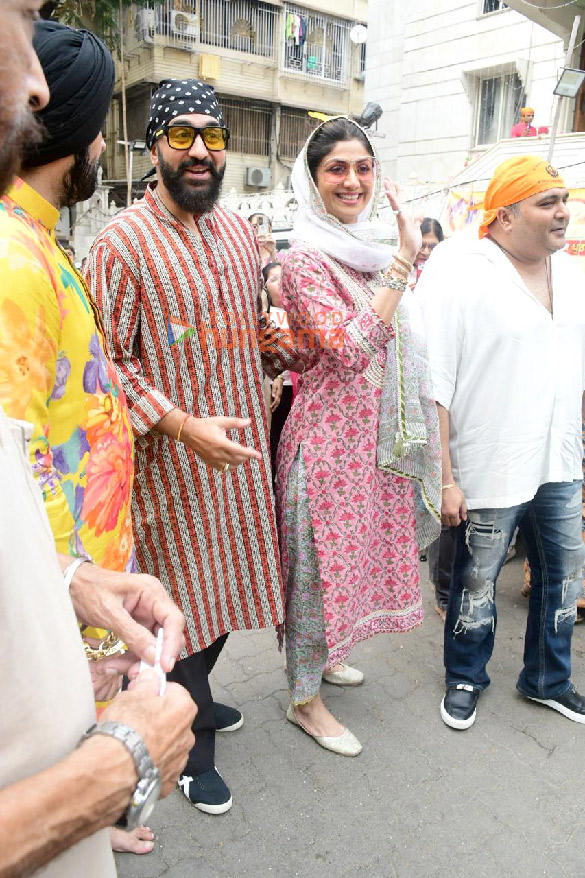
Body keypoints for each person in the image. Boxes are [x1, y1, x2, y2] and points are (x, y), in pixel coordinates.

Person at [0, 5, 195, 876]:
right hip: (47, 572)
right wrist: (63, 575)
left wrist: (77, 576)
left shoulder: (36, 241)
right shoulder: (13, 258)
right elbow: (17, 453)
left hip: (73, 567)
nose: (106, 146)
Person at [85, 78, 299, 815]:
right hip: (168, 471)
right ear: (154, 149)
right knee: (176, 605)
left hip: (237, 463)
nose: (201, 151)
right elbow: (107, 366)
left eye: (213, 136)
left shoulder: (237, 231)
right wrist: (179, 424)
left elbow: (250, 330)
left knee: (226, 594)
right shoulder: (120, 244)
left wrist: (279, 343)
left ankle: (196, 695)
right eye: (182, 136)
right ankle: (188, 744)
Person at [276, 117, 441, 755]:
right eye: (337, 169)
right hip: (323, 451)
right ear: (312, 179)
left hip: (368, 447)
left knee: (346, 565)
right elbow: (348, 351)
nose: (353, 181)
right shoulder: (305, 260)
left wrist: (397, 261)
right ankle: (304, 701)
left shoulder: (363, 251)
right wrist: (403, 260)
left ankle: (324, 657)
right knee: (316, 573)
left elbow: (399, 339)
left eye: (363, 167)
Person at [419, 155, 585, 731]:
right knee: (478, 580)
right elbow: (435, 384)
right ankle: (465, 676)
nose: (562, 212)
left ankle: (548, 679)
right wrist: (445, 477)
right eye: (547, 202)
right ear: (505, 216)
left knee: (562, 576)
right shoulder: (462, 273)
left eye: (564, 200)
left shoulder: (573, 275)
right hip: (491, 465)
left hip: (559, 461)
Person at [263, 260, 293, 480]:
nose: (280, 282)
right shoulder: (268, 316)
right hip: (279, 390)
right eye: (273, 279)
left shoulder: (299, 311)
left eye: (283, 276)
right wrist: (279, 378)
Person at [410, 217, 444, 288]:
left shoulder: (445, 272)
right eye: (421, 245)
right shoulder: (399, 270)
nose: (426, 252)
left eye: (433, 246)